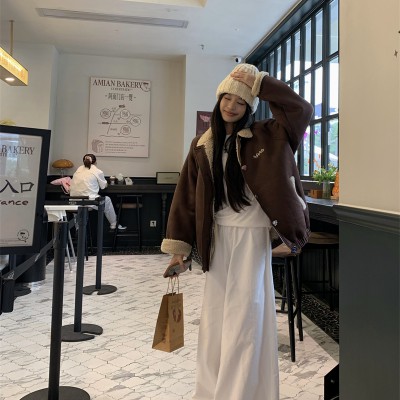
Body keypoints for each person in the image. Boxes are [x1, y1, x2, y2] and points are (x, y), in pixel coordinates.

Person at [161, 63, 313, 400]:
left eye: (241, 101)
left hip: (252, 238)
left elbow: (301, 109)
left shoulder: (270, 135)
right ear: (218, 100)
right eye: (227, 98)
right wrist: (179, 251)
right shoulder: (202, 144)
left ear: (250, 107)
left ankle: (240, 393)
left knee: (246, 319)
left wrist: (261, 83)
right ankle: (211, 391)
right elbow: (187, 197)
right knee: (216, 320)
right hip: (217, 240)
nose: (231, 106)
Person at [69, 154, 126, 231]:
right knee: (107, 200)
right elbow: (103, 186)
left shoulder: (78, 170)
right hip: (89, 201)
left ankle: (78, 228)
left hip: (73, 201)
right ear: (95, 162)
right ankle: (114, 224)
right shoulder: (97, 171)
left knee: (79, 207)